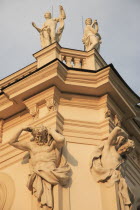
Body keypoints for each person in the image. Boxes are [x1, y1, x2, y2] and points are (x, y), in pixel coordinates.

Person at [9, 125, 71, 210]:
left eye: (41, 136)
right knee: (42, 198)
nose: (39, 138)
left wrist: (51, 131)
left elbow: (61, 140)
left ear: (46, 135)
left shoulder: (52, 144)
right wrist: (21, 128)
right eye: (37, 137)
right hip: (38, 173)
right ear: (34, 136)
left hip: (51, 173)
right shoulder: (31, 146)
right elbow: (12, 142)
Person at [90, 126, 134, 210]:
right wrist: (126, 136)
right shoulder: (109, 148)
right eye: (125, 147)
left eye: (128, 150)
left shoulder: (123, 162)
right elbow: (117, 129)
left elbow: (122, 174)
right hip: (107, 177)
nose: (125, 150)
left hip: (115, 182)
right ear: (122, 144)